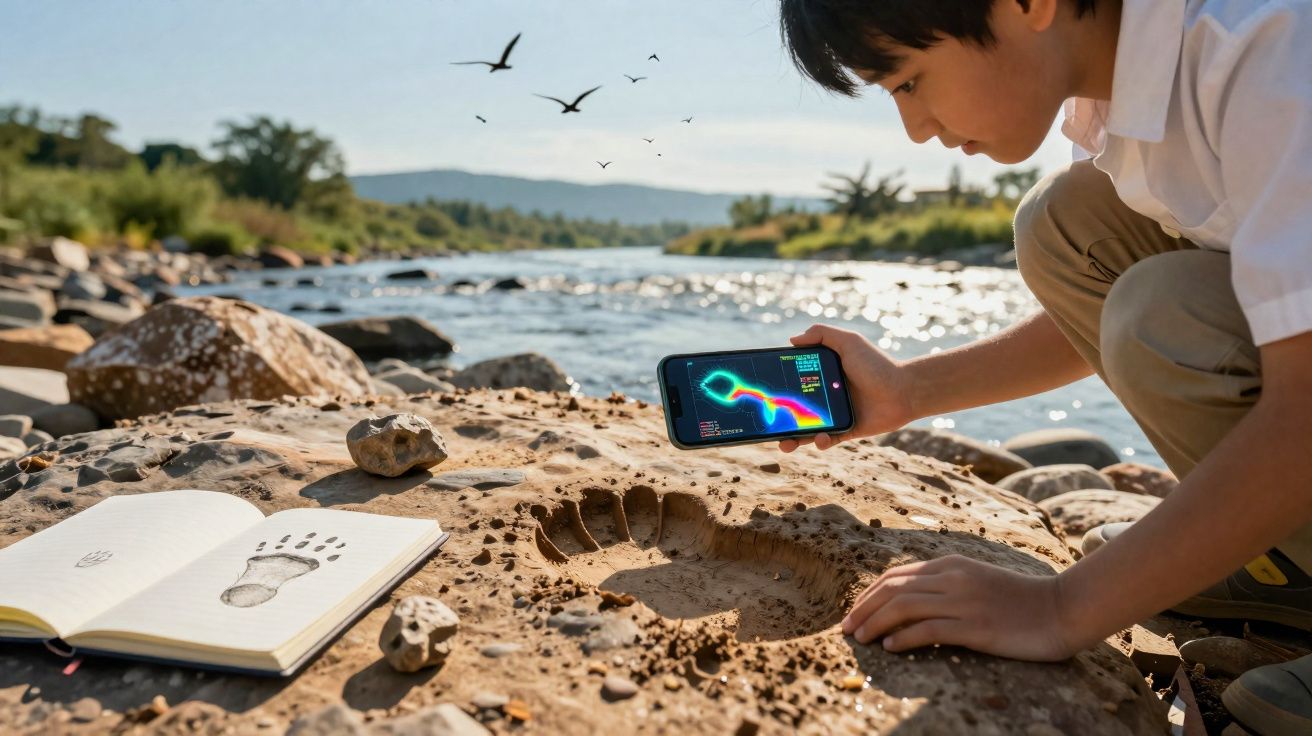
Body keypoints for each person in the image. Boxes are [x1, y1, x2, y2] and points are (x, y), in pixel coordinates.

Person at [775, 0, 1312, 731]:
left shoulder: (1265, 47)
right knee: (1067, 225)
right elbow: (1089, 317)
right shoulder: (1110, 85)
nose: (915, 127)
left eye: (908, 82)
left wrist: (1062, 607)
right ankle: (1289, 559)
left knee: (1161, 311)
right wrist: (908, 390)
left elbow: (1301, 416)